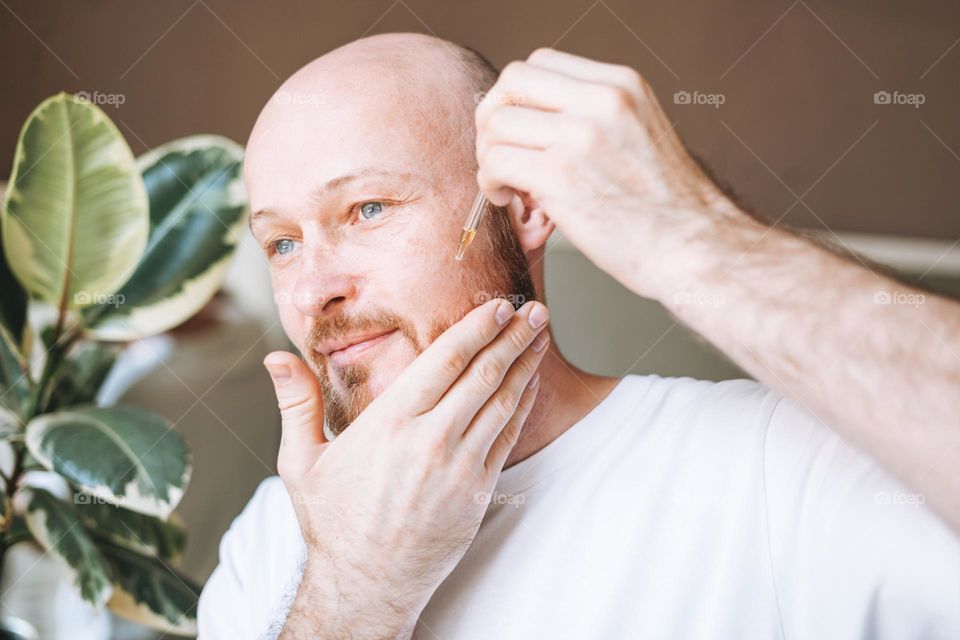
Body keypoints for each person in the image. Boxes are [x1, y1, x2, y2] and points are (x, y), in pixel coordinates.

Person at [197, 33, 960, 639]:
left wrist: (697, 238)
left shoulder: (768, 470)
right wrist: (352, 590)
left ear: (525, 205)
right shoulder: (275, 538)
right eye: (282, 243)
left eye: (368, 209)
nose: (312, 292)